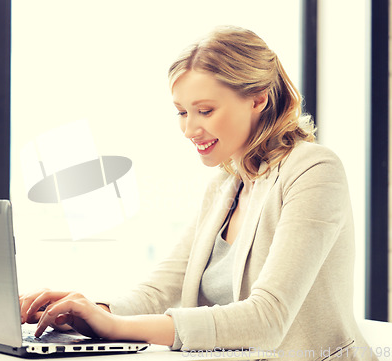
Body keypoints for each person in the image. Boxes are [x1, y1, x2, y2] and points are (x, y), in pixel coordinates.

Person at [20, 26, 378, 360]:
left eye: (204, 110)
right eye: (181, 112)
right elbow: (161, 290)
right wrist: (86, 311)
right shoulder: (225, 186)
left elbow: (268, 318)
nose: (190, 129)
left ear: (258, 99)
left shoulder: (314, 170)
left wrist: (117, 328)